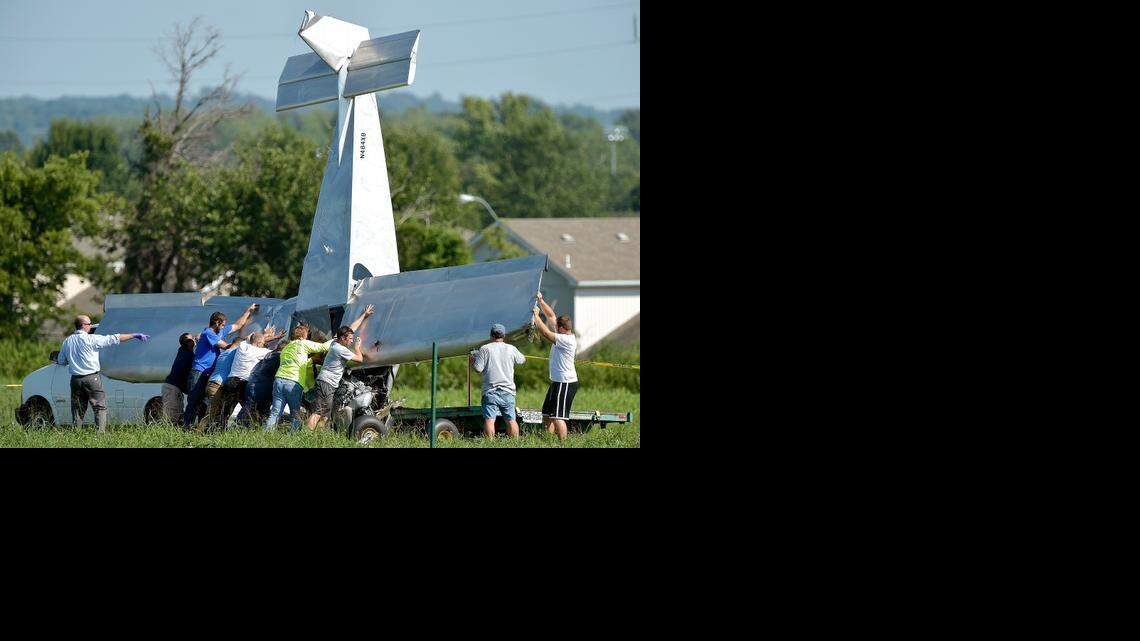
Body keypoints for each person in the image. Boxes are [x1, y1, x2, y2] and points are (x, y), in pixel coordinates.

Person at [57, 315, 149, 434]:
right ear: (84, 325)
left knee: (78, 409)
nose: (90, 326)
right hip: (92, 378)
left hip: (75, 380)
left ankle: (76, 434)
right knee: (99, 407)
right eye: (90, 324)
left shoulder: (67, 341)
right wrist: (134, 335)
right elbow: (114, 338)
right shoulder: (91, 339)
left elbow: (61, 361)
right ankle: (99, 435)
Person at [181, 305, 256, 430]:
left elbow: (238, 325)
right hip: (198, 371)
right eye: (222, 325)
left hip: (208, 373)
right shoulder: (208, 333)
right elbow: (226, 346)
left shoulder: (220, 331)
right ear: (216, 323)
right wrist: (246, 342)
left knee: (205, 403)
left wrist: (249, 310)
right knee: (194, 400)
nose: (223, 327)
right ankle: (186, 427)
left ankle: (200, 429)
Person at [306, 305, 376, 431]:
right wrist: (357, 347)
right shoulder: (340, 349)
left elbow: (352, 328)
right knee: (318, 412)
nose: (351, 341)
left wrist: (364, 315)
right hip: (326, 383)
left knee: (326, 415)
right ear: (343, 339)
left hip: (327, 383)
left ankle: (316, 437)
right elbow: (359, 359)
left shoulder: (335, 342)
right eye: (350, 339)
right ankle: (307, 435)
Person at [265, 323, 330, 433]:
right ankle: (293, 437)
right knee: (295, 413)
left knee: (275, 412)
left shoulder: (286, 348)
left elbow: (299, 361)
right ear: (302, 337)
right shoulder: (302, 343)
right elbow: (323, 347)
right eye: (306, 336)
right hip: (293, 382)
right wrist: (334, 339)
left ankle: (266, 435)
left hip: (279, 380)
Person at [218, 325, 284, 429]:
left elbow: (250, 337)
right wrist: (275, 337)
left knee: (225, 410)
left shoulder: (242, 346)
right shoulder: (263, 352)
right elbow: (277, 352)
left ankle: (218, 430)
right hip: (245, 383)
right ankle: (243, 428)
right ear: (259, 344)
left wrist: (265, 335)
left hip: (231, 381)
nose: (263, 345)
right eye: (262, 344)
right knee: (249, 408)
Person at [533, 292, 578, 441]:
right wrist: (541, 301)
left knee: (559, 417)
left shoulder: (566, 340)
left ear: (561, 328)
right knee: (547, 414)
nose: (554, 327)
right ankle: (548, 440)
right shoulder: (562, 332)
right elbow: (551, 316)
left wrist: (536, 316)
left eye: (557, 327)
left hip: (565, 382)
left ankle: (563, 443)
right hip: (557, 381)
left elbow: (545, 333)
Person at [470, 323, 526, 438]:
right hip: (508, 390)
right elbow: (522, 360)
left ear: (491, 335)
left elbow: (478, 369)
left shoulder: (485, 348)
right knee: (511, 420)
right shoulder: (511, 348)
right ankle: (514, 443)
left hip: (490, 390)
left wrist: (472, 361)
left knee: (490, 420)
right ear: (503, 335)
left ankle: (490, 444)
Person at [198, 342, 241, 433]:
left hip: (211, 383)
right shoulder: (234, 352)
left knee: (215, 411)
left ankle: (211, 432)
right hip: (217, 385)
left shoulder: (223, 353)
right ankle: (198, 432)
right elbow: (250, 346)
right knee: (211, 413)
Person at [161, 333, 196, 424]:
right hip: (173, 387)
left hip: (174, 388)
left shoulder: (183, 352)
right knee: (172, 417)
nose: (194, 340)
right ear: (187, 342)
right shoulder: (188, 354)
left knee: (177, 414)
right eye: (192, 339)